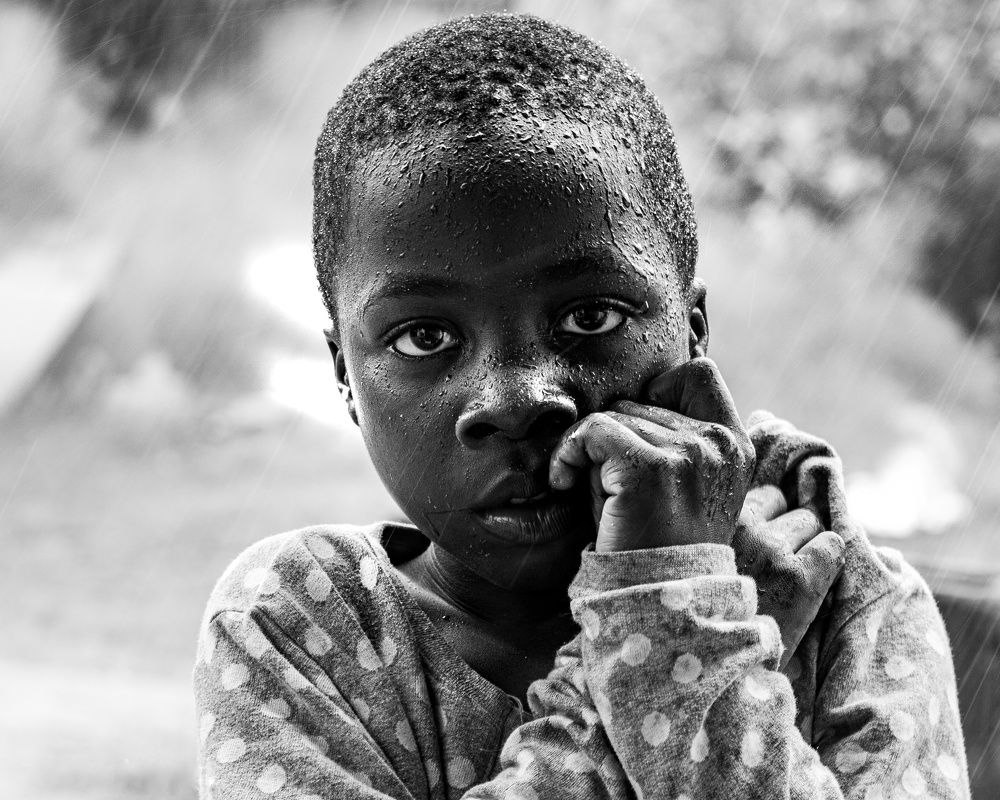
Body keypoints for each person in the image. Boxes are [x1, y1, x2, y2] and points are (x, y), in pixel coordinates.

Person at [194, 13, 970, 800]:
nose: (514, 400)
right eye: (423, 336)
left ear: (693, 333)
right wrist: (678, 625)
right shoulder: (301, 621)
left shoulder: (841, 595)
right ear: (344, 375)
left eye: (589, 318)